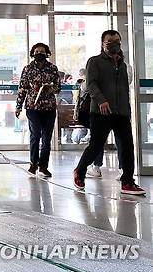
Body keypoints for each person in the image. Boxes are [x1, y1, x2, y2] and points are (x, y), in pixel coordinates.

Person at [73, 30, 146, 195]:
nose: (114, 44)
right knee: (96, 145)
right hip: (101, 112)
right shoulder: (94, 62)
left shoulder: (123, 65)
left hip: (121, 113)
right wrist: (101, 100)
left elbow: (125, 89)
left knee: (127, 146)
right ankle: (80, 170)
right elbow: (91, 84)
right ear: (102, 43)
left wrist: (127, 110)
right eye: (110, 41)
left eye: (117, 41)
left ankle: (127, 182)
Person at [16, 43, 61, 178]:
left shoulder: (52, 68)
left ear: (47, 53)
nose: (39, 53)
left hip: (49, 108)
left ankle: (43, 166)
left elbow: (58, 87)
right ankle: (33, 163)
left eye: (42, 51)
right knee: (35, 135)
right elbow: (22, 88)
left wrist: (50, 88)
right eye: (37, 51)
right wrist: (18, 106)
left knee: (47, 138)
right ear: (33, 53)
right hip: (32, 107)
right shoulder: (28, 69)